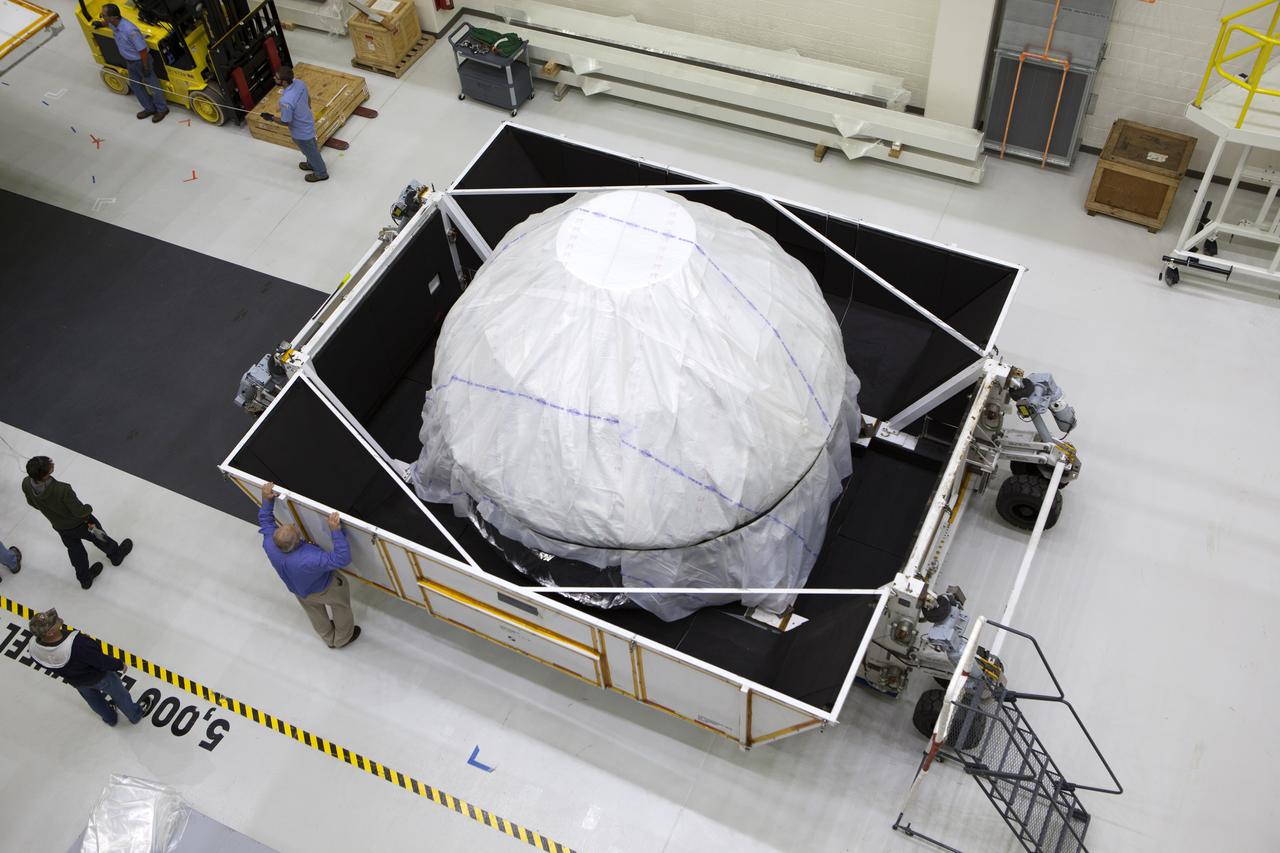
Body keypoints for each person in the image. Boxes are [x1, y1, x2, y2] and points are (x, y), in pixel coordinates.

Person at [258, 482, 360, 647]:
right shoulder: (310, 558)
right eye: (294, 529)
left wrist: (266, 499)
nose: (292, 525)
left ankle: (328, 638)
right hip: (325, 588)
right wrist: (335, 532)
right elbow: (342, 558)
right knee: (341, 607)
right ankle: (342, 639)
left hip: (300, 590)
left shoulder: (270, 543)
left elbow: (266, 521)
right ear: (297, 541)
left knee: (314, 612)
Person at [27, 608, 154, 726]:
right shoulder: (77, 643)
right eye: (53, 621)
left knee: (94, 700)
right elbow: (100, 660)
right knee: (120, 695)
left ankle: (110, 718)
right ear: (51, 632)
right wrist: (118, 664)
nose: (56, 617)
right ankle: (135, 715)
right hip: (100, 677)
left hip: (77, 682)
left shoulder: (34, 649)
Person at [22, 456, 132, 590]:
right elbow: (79, 512)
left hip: (60, 527)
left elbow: (32, 503)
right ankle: (116, 555)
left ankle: (85, 579)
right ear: (44, 475)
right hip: (83, 523)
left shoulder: (26, 484)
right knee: (99, 537)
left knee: (75, 551)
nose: (52, 463)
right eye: (49, 464)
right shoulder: (62, 490)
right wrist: (88, 509)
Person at [100, 4, 169, 123]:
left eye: (104, 15)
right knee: (136, 86)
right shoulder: (113, 24)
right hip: (130, 62)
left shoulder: (130, 30)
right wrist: (100, 24)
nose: (102, 17)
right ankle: (149, 108)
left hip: (141, 62)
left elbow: (142, 50)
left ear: (113, 17)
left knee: (153, 87)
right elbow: (106, 24)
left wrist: (146, 66)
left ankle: (162, 109)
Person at [260, 66, 329, 183]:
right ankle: (311, 163)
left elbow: (286, 121)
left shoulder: (286, 101)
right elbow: (308, 98)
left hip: (300, 131)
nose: (274, 78)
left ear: (284, 82)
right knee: (310, 147)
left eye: (276, 78)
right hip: (307, 120)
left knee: (310, 151)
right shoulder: (299, 83)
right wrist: (306, 110)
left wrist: (271, 118)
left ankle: (321, 173)